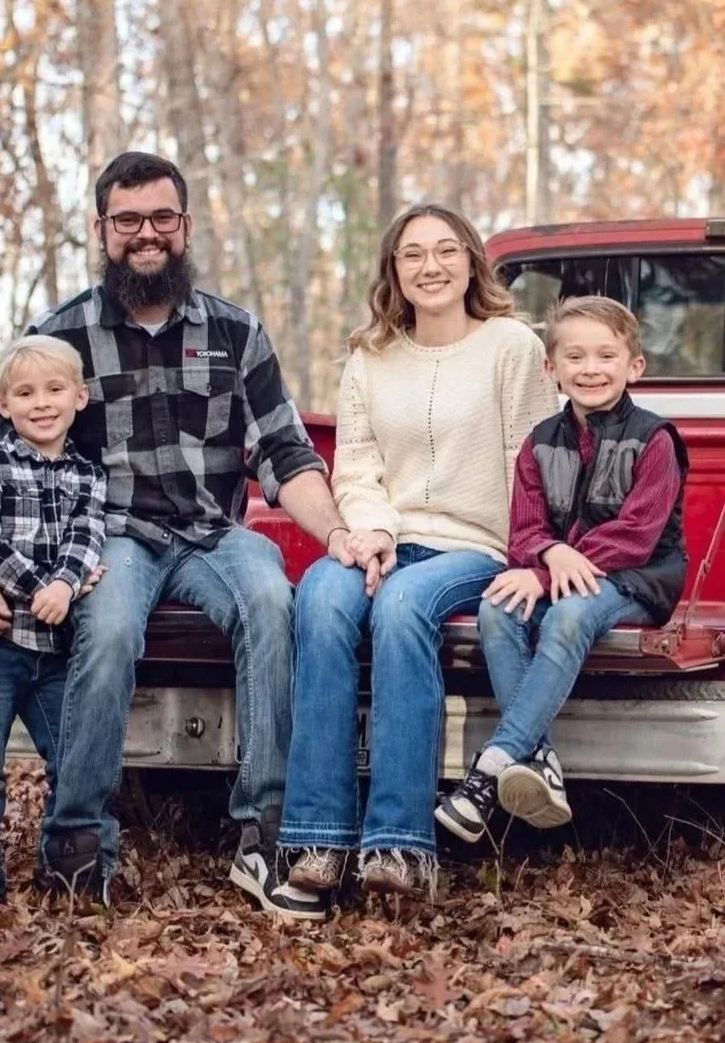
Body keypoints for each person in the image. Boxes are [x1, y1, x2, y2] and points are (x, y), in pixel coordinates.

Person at [0, 151, 355, 921]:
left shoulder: (237, 332)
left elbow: (285, 450)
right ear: (102, 230)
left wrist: (333, 531)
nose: (147, 234)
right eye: (128, 219)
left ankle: (265, 835)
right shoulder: (59, 333)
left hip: (212, 531)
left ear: (186, 226)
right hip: (111, 536)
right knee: (101, 631)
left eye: (161, 218)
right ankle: (77, 846)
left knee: (274, 598)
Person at [278, 203, 558, 898]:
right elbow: (357, 464)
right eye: (412, 255)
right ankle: (317, 837)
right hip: (388, 537)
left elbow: (533, 460)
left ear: (470, 261)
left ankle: (399, 845)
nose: (429, 266)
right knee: (319, 594)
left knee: (403, 607)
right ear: (393, 272)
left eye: (444, 251)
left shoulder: (511, 346)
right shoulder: (369, 357)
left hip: (478, 545)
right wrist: (369, 529)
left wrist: (528, 552)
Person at [436, 296, 688, 841]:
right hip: (564, 573)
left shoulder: (655, 439)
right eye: (575, 357)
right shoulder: (539, 442)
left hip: (637, 579)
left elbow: (637, 536)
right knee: (497, 609)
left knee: (567, 617)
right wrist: (548, 557)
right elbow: (524, 531)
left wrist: (549, 574)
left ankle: (490, 769)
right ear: (551, 368)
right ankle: (540, 759)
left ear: (634, 366)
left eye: (606, 356)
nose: (590, 369)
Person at [0, 336, 107, 921]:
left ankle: (67, 874)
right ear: (4, 404)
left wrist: (64, 586)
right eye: (24, 393)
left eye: (54, 390)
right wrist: (42, 585)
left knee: (74, 760)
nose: (41, 403)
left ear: (80, 397)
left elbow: (87, 540)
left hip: (52, 651)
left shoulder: (89, 476)